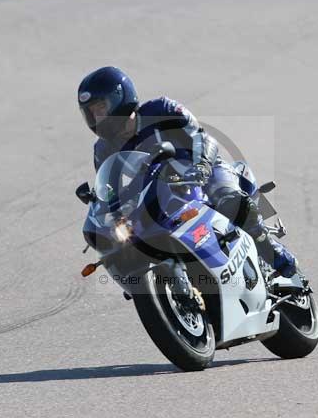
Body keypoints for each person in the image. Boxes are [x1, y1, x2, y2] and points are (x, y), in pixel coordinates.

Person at [77, 65, 298, 277]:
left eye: (101, 108)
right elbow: (111, 189)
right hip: (158, 195)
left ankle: (271, 251)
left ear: (120, 98)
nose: (97, 118)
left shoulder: (161, 109)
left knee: (229, 199)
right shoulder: (103, 149)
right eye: (91, 112)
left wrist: (201, 166)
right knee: (129, 244)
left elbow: (202, 138)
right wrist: (109, 213)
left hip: (203, 172)